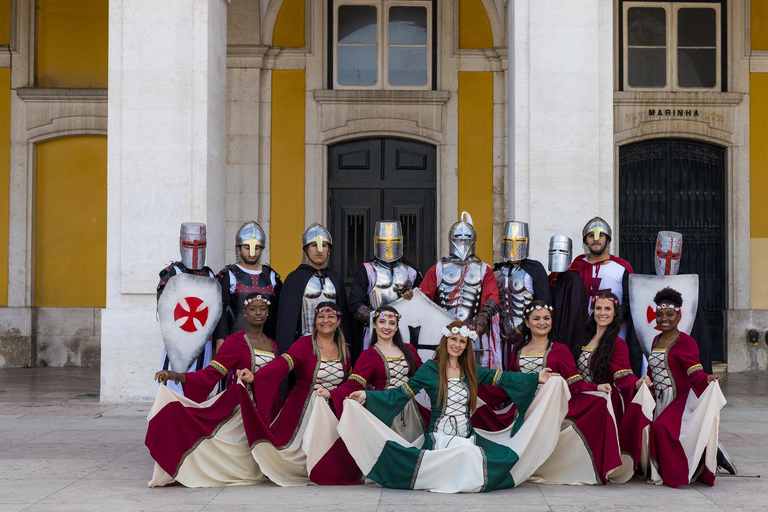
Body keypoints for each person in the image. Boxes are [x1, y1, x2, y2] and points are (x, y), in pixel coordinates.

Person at [337, 320, 569, 493]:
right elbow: (400, 394)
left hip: (467, 435)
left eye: (462, 341)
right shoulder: (430, 369)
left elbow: (503, 378)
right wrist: (366, 396)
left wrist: (535, 378)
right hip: (439, 437)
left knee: (504, 457)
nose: (457, 345)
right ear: (445, 340)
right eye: (454, 339)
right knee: (467, 453)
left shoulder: (471, 371)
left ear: (466, 345)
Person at [145, 293, 279, 488]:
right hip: (240, 409)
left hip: (265, 409)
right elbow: (212, 373)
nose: (258, 312)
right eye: (252, 308)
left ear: (268, 312)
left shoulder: (272, 344)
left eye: (262, 308)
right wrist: (177, 375)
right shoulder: (235, 341)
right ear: (244, 312)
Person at [236, 302, 362, 486]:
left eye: (330, 317)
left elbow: (350, 382)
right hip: (306, 410)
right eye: (320, 317)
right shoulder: (304, 344)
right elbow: (281, 365)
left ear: (338, 321)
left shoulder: (346, 350)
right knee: (297, 455)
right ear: (315, 321)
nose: (325, 321)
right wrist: (255, 376)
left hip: (334, 409)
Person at [509, 301, 627, 485]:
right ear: (526, 322)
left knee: (599, 404)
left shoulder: (560, 349)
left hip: (550, 408)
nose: (542, 323)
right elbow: (510, 382)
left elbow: (574, 382)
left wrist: (596, 388)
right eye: (537, 319)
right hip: (522, 406)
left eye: (547, 318)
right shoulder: (517, 350)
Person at [638, 287, 726, 487]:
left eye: (669, 314)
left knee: (662, 428)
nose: (663, 319)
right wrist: (647, 383)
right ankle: (653, 468)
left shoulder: (686, 342)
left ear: (679, 316)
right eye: (659, 315)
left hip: (679, 399)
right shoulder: (656, 340)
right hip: (658, 397)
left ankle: (676, 473)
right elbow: (653, 370)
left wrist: (708, 379)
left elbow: (695, 373)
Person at [317, 305, 429, 442]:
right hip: (383, 410)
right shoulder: (369, 355)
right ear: (374, 325)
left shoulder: (409, 349)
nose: (386, 327)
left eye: (392, 323)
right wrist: (330, 394)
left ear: (397, 327)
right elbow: (353, 384)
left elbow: (426, 376)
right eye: (382, 322)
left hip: (411, 412)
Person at [420, 211, 502, 369]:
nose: (463, 242)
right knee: (443, 370)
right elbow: (423, 299)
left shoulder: (484, 269)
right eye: (459, 238)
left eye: (467, 238)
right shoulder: (438, 268)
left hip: (474, 330)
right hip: (443, 331)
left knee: (475, 372)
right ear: (451, 240)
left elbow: (492, 297)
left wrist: (482, 318)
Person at [569, 216, 642, 376]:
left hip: (616, 330)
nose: (596, 240)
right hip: (584, 331)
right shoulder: (576, 267)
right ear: (585, 240)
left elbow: (630, 300)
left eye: (600, 235)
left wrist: (611, 320)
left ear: (607, 239)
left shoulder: (622, 266)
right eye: (591, 236)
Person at [156, 222, 217, 394]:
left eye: (200, 244)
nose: (195, 249)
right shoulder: (172, 273)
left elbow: (214, 308)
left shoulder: (209, 274)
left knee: (199, 387)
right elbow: (164, 310)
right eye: (190, 244)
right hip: (177, 340)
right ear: (182, 243)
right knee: (173, 388)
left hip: (204, 341)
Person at [274, 224, 353, 357]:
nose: (319, 250)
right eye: (314, 245)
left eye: (324, 245)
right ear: (306, 249)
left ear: (329, 249)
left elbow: (344, 318)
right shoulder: (295, 278)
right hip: (303, 344)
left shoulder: (335, 278)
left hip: (332, 345)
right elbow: (286, 321)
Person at [348, 220, 422, 351]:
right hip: (373, 332)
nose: (388, 245)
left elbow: (422, 304)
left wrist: (412, 295)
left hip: (403, 331)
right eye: (383, 240)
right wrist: (378, 320)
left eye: (394, 240)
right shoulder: (367, 270)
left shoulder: (411, 272)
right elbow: (355, 304)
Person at [213, 221, 281, 350]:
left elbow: (277, 313)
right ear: (238, 249)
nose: (252, 253)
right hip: (235, 342)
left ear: (261, 249)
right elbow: (220, 311)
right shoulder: (229, 275)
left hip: (265, 343)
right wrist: (220, 340)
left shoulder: (271, 277)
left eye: (256, 248)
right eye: (247, 247)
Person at [494, 221, 550, 370]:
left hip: (527, 334)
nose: (513, 246)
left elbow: (543, 303)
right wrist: (496, 329)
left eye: (518, 241)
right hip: (500, 336)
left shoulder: (533, 269)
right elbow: (493, 302)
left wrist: (522, 330)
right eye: (508, 241)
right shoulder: (497, 271)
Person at [547, 235, 588, 350]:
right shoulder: (549, 279)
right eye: (552, 251)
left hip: (564, 334)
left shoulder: (573, 280)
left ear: (569, 254)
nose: (556, 254)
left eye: (562, 251)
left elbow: (574, 315)